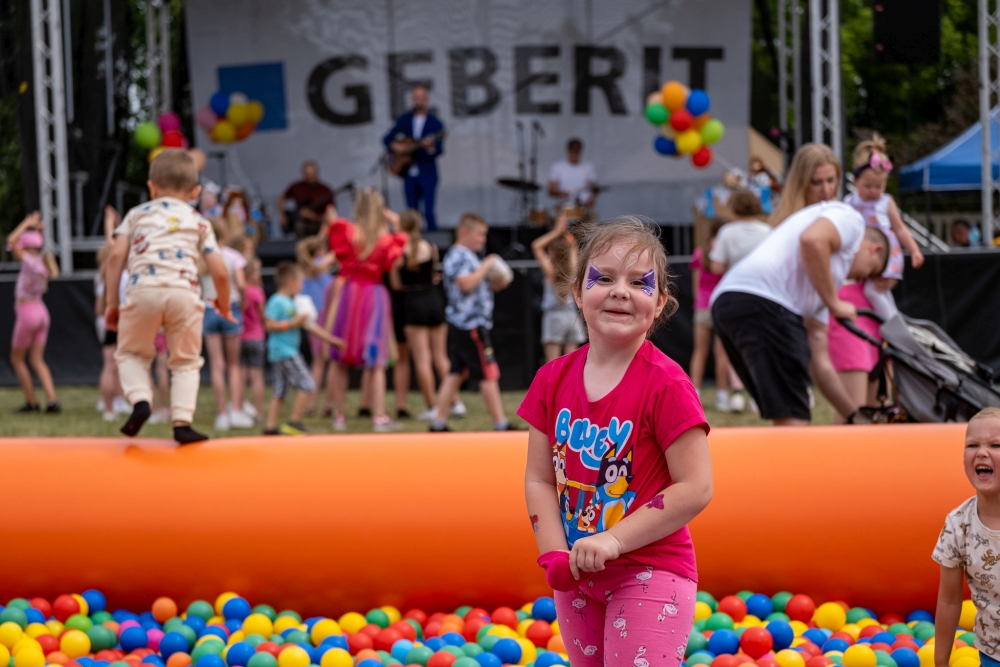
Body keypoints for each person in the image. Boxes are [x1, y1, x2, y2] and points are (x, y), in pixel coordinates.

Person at [519, 217, 713, 667]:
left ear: (661, 302)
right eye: (603, 278)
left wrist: (614, 540)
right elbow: (539, 478)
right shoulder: (551, 380)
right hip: (579, 576)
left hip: (652, 571)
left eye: (639, 282)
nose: (620, 290)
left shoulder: (666, 384)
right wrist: (552, 550)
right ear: (577, 292)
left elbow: (696, 486)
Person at [711, 199, 890, 425]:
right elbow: (812, 240)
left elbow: (820, 361)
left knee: (787, 410)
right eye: (869, 271)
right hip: (766, 300)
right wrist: (835, 303)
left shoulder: (821, 285)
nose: (859, 278)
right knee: (793, 416)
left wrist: (855, 415)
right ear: (875, 250)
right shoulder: (851, 219)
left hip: (727, 302)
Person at [104, 148, 231, 444]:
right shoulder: (199, 220)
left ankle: (140, 401)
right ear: (195, 191)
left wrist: (112, 302)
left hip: (143, 290)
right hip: (184, 293)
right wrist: (223, 304)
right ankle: (182, 422)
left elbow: (116, 256)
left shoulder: (136, 214)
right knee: (186, 361)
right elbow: (219, 271)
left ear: (151, 187)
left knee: (131, 353)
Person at [826, 134, 925, 421]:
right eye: (868, 186)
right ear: (856, 182)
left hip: (880, 272)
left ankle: (896, 332)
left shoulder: (886, 203)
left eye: (879, 186)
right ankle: (897, 331)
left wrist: (913, 251)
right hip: (857, 286)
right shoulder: (847, 206)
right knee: (855, 408)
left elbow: (901, 229)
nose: (874, 191)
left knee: (876, 402)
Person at [322, 190, 409, 432]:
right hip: (373, 295)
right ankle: (379, 416)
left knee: (339, 356)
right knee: (377, 359)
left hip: (348, 294)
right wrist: (394, 220)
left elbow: (337, 252)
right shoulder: (386, 239)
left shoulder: (346, 231)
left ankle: (338, 416)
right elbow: (399, 247)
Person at [429, 212, 517, 432]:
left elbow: (474, 285)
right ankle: (500, 422)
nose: (483, 239)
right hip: (469, 324)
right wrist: (487, 265)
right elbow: (465, 284)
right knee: (488, 371)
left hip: (468, 322)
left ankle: (439, 421)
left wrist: (494, 282)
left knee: (455, 372)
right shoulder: (457, 256)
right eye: (479, 234)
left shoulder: (469, 256)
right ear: (464, 232)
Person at [932, 408, 1000, 665]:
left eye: (996, 444)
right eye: (973, 445)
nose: (982, 452)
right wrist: (941, 662)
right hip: (993, 653)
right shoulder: (958, 525)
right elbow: (949, 601)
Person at [263, 262, 343, 435]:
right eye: (300, 283)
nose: (302, 287)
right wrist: (292, 323)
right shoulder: (277, 301)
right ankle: (294, 421)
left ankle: (270, 427)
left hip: (285, 351)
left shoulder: (294, 302)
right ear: (290, 282)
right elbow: (269, 325)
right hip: (284, 352)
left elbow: (310, 326)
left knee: (280, 390)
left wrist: (331, 340)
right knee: (307, 384)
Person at [389, 209, 450, 420]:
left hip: (413, 304)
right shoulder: (431, 247)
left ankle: (432, 405)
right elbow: (433, 274)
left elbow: (396, 285)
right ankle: (455, 402)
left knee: (422, 359)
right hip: (434, 301)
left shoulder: (400, 254)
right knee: (441, 356)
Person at [6, 211, 60, 413]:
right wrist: (37, 229)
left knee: (17, 359)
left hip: (27, 312)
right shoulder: (42, 263)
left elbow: (11, 240)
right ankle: (52, 400)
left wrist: (26, 222)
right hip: (41, 312)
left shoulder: (29, 261)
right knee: (37, 359)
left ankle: (31, 402)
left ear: (27, 246)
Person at [201, 217, 252, 430]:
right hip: (230, 307)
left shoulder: (201, 259)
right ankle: (236, 411)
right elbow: (241, 284)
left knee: (216, 365)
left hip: (209, 309)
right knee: (233, 365)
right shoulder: (233, 256)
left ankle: (222, 414)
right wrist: (244, 299)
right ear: (224, 235)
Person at [383, 86, 445, 231]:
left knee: (428, 211)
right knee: (411, 211)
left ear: (426, 99)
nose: (419, 100)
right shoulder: (405, 119)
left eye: (421, 97)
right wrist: (397, 147)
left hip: (427, 171)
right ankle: (411, 241)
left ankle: (432, 244)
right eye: (416, 97)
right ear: (412, 99)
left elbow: (439, 149)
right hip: (408, 171)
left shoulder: (435, 123)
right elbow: (387, 138)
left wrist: (430, 147)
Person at [532, 213, 586, 364]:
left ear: (552, 254)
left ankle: (552, 388)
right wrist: (566, 234)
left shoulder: (551, 272)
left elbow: (536, 246)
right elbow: (573, 245)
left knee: (552, 364)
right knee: (571, 365)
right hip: (571, 316)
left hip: (554, 317)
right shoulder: (573, 270)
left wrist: (556, 231)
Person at [688, 220, 730, 412]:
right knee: (722, 354)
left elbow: (696, 285)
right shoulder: (726, 253)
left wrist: (699, 304)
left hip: (703, 307)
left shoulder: (699, 252)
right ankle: (722, 395)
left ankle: (694, 393)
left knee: (699, 351)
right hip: (722, 306)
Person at [95, 206, 130, 422]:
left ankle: (111, 406)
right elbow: (113, 246)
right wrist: (112, 224)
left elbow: (112, 246)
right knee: (120, 365)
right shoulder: (120, 273)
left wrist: (112, 224)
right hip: (121, 319)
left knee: (111, 366)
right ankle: (113, 402)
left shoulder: (104, 274)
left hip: (110, 319)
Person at [296, 234, 336, 417]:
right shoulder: (321, 265)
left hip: (311, 319)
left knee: (317, 363)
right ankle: (328, 405)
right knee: (331, 362)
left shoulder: (303, 271)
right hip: (326, 318)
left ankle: (311, 405)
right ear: (319, 251)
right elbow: (336, 253)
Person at [240, 258, 267, 423]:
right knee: (257, 377)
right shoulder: (257, 292)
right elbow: (263, 316)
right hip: (256, 337)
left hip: (240, 337)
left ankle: (241, 406)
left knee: (241, 376)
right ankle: (258, 413)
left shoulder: (239, 291)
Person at [279, 161, 335, 238]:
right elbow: (281, 198)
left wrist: (314, 216)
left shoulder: (325, 190)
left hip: (319, 223)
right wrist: (283, 214)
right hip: (301, 223)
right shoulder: (297, 187)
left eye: (312, 174)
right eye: (307, 174)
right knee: (299, 226)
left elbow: (331, 214)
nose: (310, 177)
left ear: (317, 172)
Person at [548, 138, 598, 208]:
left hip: (584, 207)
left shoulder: (588, 167)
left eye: (577, 152)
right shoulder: (557, 167)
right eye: (573, 151)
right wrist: (560, 193)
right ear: (567, 151)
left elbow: (594, 187)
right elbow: (550, 190)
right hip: (564, 207)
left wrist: (593, 198)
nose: (575, 154)